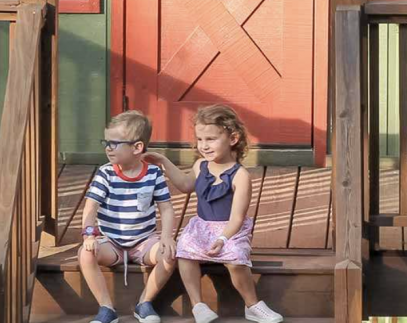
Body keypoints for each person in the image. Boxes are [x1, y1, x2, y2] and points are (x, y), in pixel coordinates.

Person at [144, 105, 284, 323]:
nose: (204, 146)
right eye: (200, 139)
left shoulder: (240, 176)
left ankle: (252, 305)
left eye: (210, 139)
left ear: (233, 138)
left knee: (236, 260)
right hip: (203, 225)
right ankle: (198, 305)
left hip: (230, 230)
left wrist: (222, 238)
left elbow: (237, 218)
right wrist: (163, 161)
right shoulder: (201, 165)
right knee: (184, 251)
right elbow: (184, 184)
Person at [79, 110, 177, 323]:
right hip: (111, 242)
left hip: (144, 241)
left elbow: (166, 208)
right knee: (85, 255)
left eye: (114, 143)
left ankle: (145, 302)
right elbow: (90, 208)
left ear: (137, 147)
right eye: (106, 142)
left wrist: (167, 237)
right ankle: (106, 307)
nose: (108, 147)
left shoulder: (153, 173)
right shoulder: (105, 173)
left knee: (169, 256)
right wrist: (89, 235)